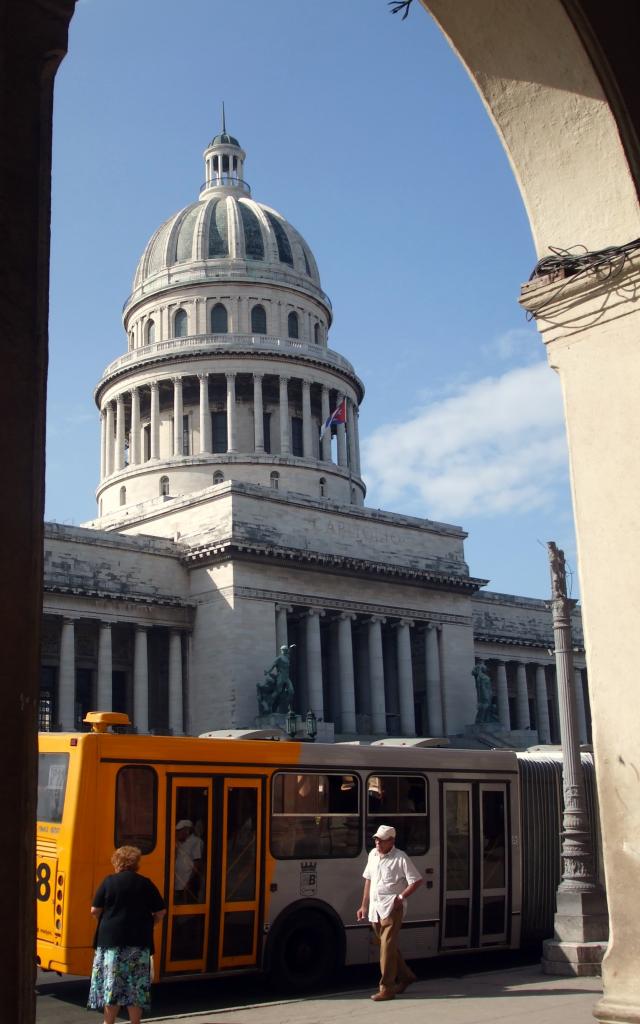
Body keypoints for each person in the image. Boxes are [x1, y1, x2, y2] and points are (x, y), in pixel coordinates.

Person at [87, 845, 165, 1024]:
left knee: (111, 986)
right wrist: (150, 924)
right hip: (138, 943)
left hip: (111, 943)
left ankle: (109, 1022)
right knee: (135, 987)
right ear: (136, 863)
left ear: (116, 862)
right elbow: (160, 911)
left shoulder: (109, 882)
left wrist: (106, 921)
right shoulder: (145, 883)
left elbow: (94, 910)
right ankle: (135, 1022)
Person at [356, 824, 423, 1001]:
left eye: (382, 840)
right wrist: (363, 905)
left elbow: (416, 880)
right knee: (387, 946)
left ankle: (386, 988)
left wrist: (401, 897)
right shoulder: (372, 855)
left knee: (386, 948)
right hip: (375, 908)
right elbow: (368, 880)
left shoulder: (400, 858)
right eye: (376, 839)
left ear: (391, 841)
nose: (377, 842)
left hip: (392, 908)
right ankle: (407, 976)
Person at [174, 819, 203, 902]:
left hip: (188, 882)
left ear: (187, 831)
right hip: (178, 881)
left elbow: (197, 863)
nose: (177, 833)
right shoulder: (178, 842)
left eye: (179, 831)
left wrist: (190, 881)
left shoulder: (196, 842)